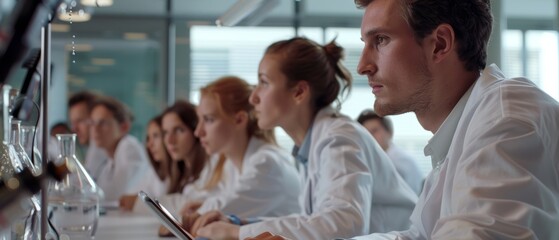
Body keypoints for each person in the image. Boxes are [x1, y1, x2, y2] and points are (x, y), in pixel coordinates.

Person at [350, 0, 559, 239]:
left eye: (381, 40)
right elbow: (420, 236)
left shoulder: (505, 116)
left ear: (440, 44)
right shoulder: (459, 137)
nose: (362, 66)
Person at [191, 37, 417, 240]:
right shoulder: (314, 144)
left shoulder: (339, 138)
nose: (254, 98)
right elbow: (314, 220)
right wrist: (242, 223)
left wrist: (237, 233)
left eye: (264, 83)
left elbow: (344, 224)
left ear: (299, 92)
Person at [181, 76, 300, 226]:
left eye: (209, 119)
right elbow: (223, 202)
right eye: (200, 120)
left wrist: (197, 214)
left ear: (239, 120)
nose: (198, 132)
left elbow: (217, 213)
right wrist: (203, 205)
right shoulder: (230, 163)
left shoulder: (267, 162)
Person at [88, 96, 149, 202]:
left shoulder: (129, 147)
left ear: (124, 127)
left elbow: (115, 196)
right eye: (93, 123)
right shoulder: (110, 158)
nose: (95, 129)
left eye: (103, 123)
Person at [357, 109, 423, 195]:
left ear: (389, 132)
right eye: (365, 133)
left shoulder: (403, 162)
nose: (369, 136)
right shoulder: (366, 160)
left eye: (374, 131)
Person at [120, 115, 172, 211]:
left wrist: (137, 202)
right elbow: (130, 197)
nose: (150, 144)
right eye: (148, 138)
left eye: (156, 136)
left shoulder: (179, 173)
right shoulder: (154, 172)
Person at [67, 91, 107, 165]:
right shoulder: (92, 151)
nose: (74, 129)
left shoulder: (100, 151)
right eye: (72, 123)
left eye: (80, 121)